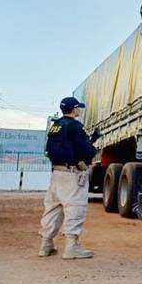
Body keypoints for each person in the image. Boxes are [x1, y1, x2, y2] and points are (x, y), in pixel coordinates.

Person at [38, 97, 99, 259]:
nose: (79, 110)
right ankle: (72, 247)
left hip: (57, 172)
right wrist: (93, 145)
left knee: (53, 209)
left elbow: (57, 147)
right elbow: (84, 150)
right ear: (74, 109)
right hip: (72, 174)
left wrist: (90, 140)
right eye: (78, 108)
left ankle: (46, 245)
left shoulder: (55, 126)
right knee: (75, 207)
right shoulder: (75, 125)